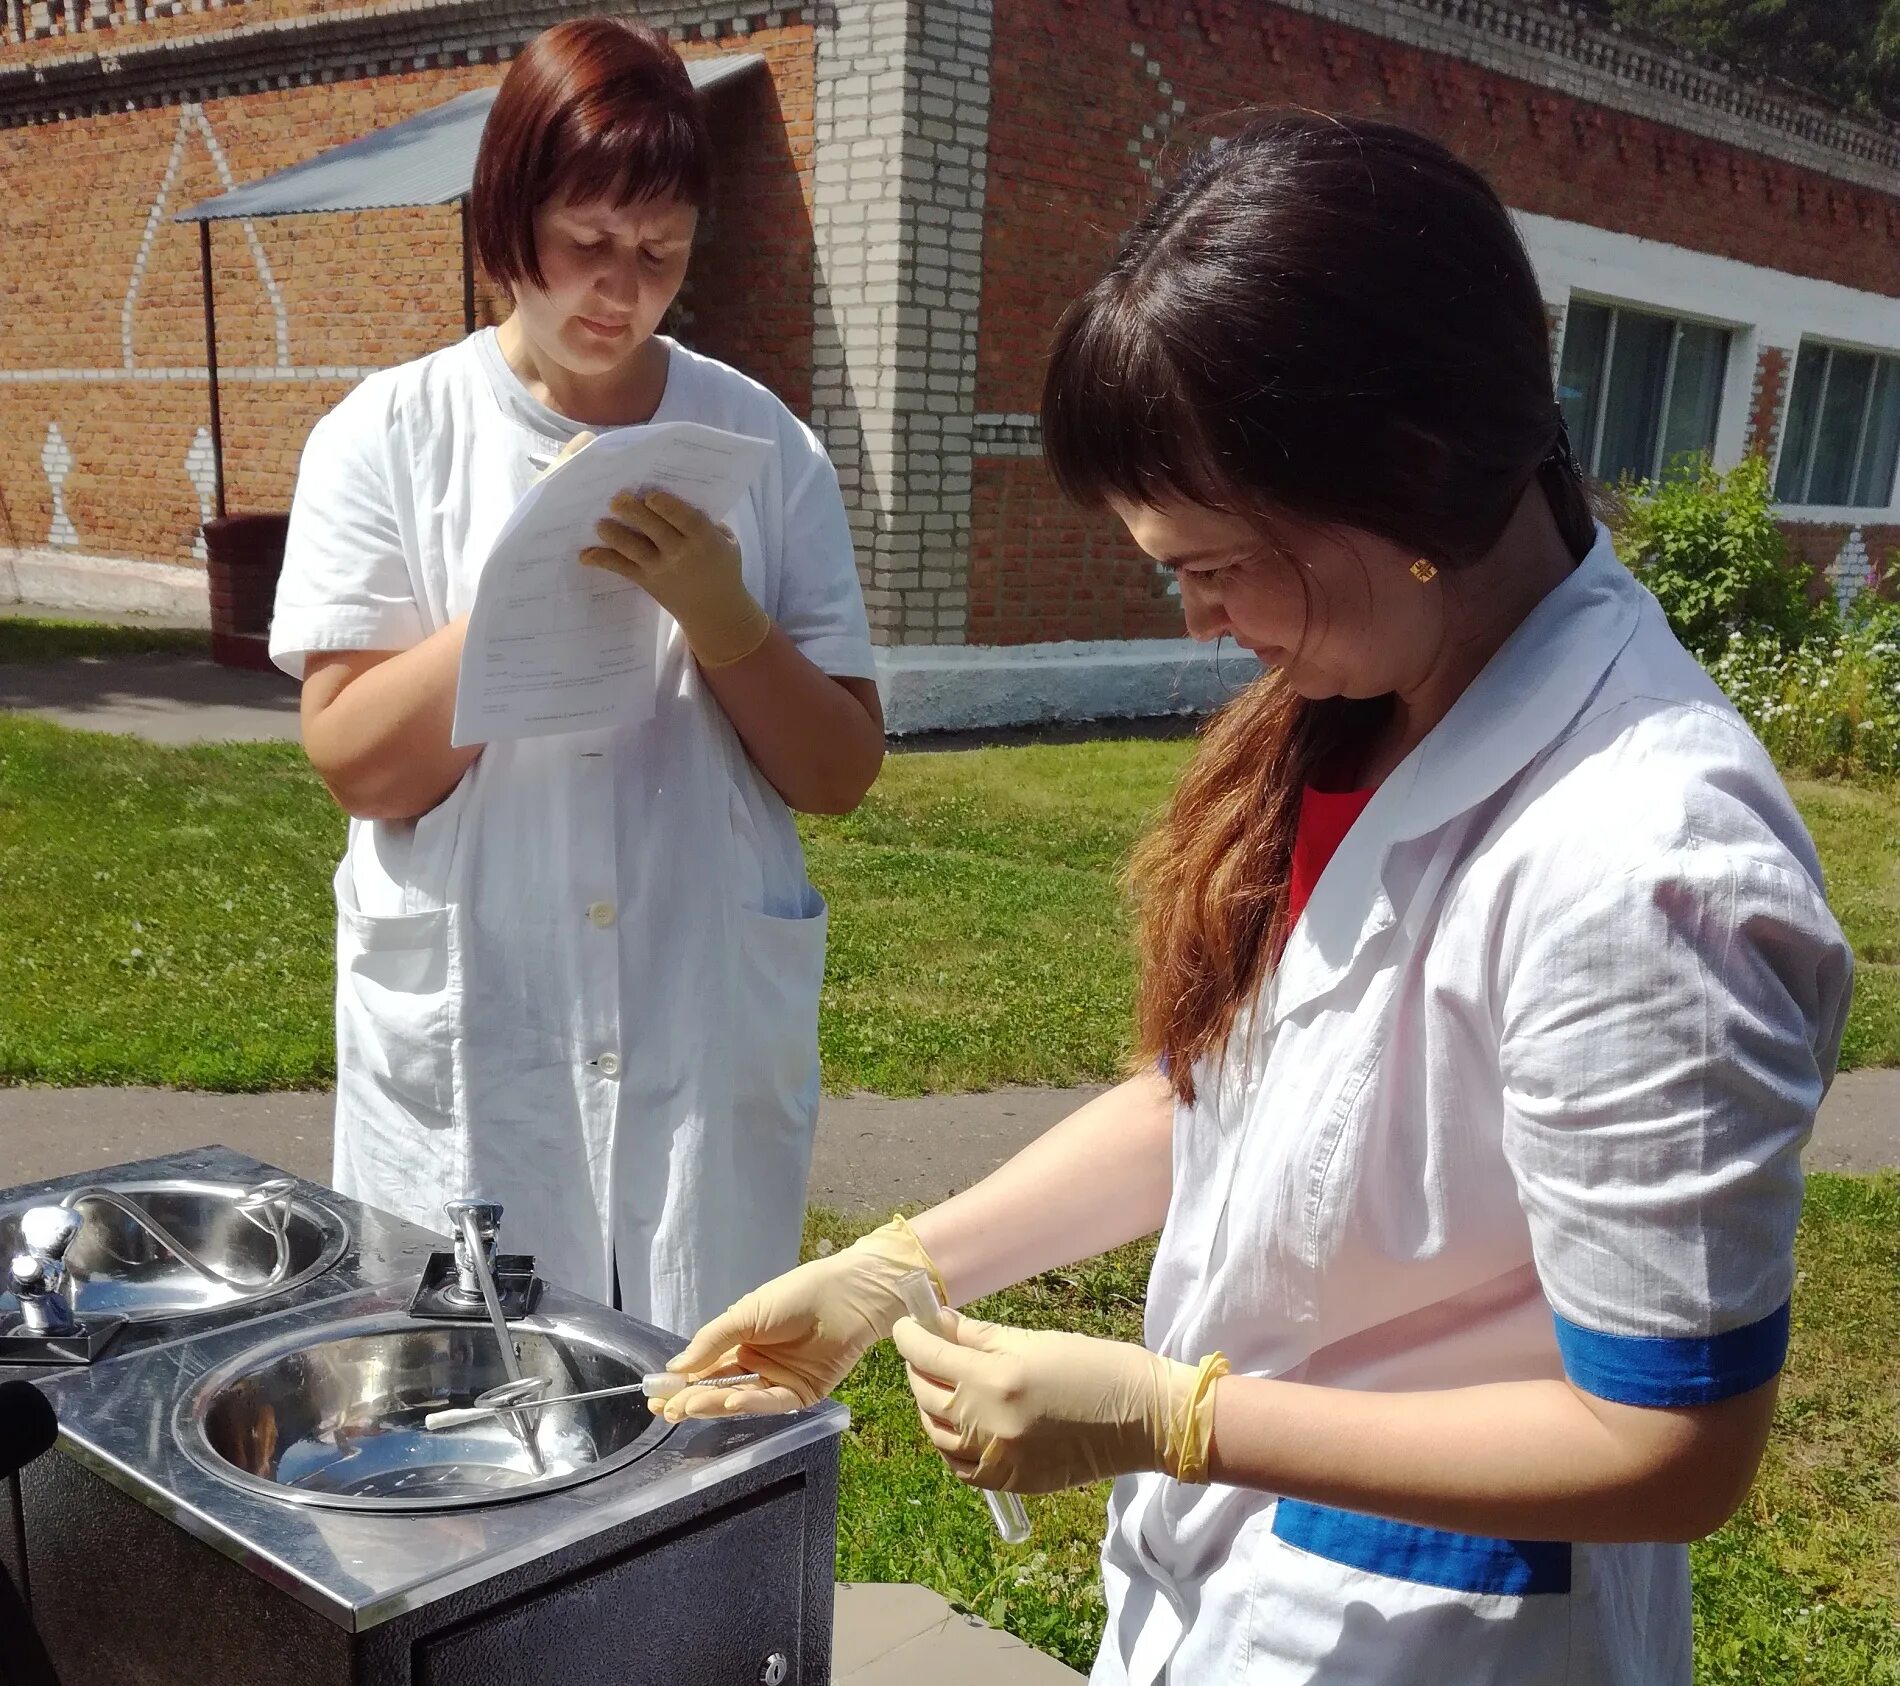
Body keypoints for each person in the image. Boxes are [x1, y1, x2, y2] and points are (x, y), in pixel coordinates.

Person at [655, 115, 1854, 1684]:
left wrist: (1181, 1413)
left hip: (1435, 1635)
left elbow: (1671, 1445)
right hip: (1247, 1599)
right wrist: (899, 1268)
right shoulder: (1388, 697)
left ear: (1412, 477)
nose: (1203, 619)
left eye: (1216, 564)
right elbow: (1234, 1088)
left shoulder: (1646, 867)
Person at [270, 16, 883, 1334]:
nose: (618, 289)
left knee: (690, 1396)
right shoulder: (384, 436)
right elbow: (359, 764)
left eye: (658, 255)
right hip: (475, 1030)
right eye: (586, 245)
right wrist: (508, 604)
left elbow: (838, 770)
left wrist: (725, 622)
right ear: (507, 219)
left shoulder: (761, 445)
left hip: (697, 1005)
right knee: (464, 1411)